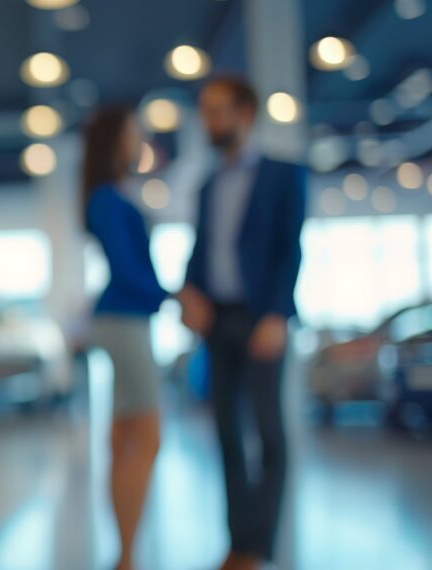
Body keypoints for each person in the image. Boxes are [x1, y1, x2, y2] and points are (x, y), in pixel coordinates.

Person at [179, 76, 306, 570]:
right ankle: (238, 544)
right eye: (205, 111)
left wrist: (277, 313)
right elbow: (201, 252)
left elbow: (289, 249)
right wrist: (189, 291)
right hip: (218, 320)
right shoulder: (208, 186)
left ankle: (258, 544)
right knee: (227, 433)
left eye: (217, 111)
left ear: (245, 113)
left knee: (269, 432)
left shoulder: (282, 175)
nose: (209, 121)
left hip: (261, 318)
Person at [83, 106, 167, 570]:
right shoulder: (107, 199)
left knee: (123, 439)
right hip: (124, 322)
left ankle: (125, 555)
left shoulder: (110, 195)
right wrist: (173, 296)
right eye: (135, 133)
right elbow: (129, 270)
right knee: (147, 436)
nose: (141, 141)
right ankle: (127, 557)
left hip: (121, 320)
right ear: (116, 139)